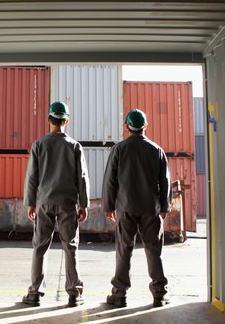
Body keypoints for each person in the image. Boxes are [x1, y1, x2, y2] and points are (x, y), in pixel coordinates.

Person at [22, 101, 90, 308]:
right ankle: (74, 294)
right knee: (70, 247)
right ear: (66, 120)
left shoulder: (39, 145)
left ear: (49, 119)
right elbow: (82, 177)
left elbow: (31, 177)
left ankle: (35, 293)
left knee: (40, 247)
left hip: (44, 202)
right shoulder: (74, 146)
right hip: (68, 203)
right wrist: (84, 204)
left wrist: (30, 203)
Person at [102, 108, 171, 308]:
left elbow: (109, 181)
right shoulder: (156, 150)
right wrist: (164, 205)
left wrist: (108, 205)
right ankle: (159, 294)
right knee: (153, 249)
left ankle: (120, 294)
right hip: (151, 208)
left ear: (127, 127)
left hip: (126, 207)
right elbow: (164, 181)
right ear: (145, 127)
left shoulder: (119, 149)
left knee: (124, 249)